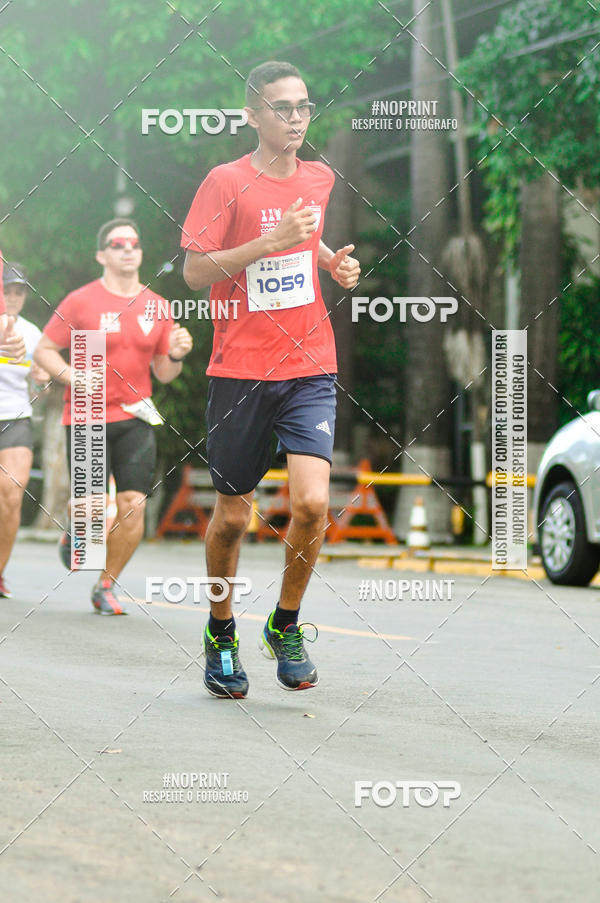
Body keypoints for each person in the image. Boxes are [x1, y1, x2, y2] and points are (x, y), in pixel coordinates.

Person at [182, 60, 360, 698]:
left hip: (310, 361)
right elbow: (196, 272)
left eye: (303, 106)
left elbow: (303, 235)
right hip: (240, 370)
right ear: (252, 115)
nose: (294, 118)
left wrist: (329, 260)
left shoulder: (319, 177)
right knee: (233, 516)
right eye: (281, 107)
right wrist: (268, 242)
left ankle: (285, 624)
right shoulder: (225, 181)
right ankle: (221, 632)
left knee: (313, 503)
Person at [34, 219, 193, 614]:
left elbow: (164, 373)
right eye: (117, 243)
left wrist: (175, 354)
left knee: (133, 504)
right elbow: (44, 351)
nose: (127, 249)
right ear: (101, 254)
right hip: (87, 414)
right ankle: (76, 530)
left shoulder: (157, 305)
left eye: (134, 244)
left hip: (135, 416)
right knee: (90, 514)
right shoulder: (81, 301)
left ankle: (106, 584)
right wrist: (74, 376)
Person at [0, 262, 42, 598]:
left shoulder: (31, 333)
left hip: (14, 416)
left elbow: (41, 374)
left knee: (11, 493)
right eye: (6, 290)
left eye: (19, 291)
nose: (13, 297)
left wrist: (42, 377)